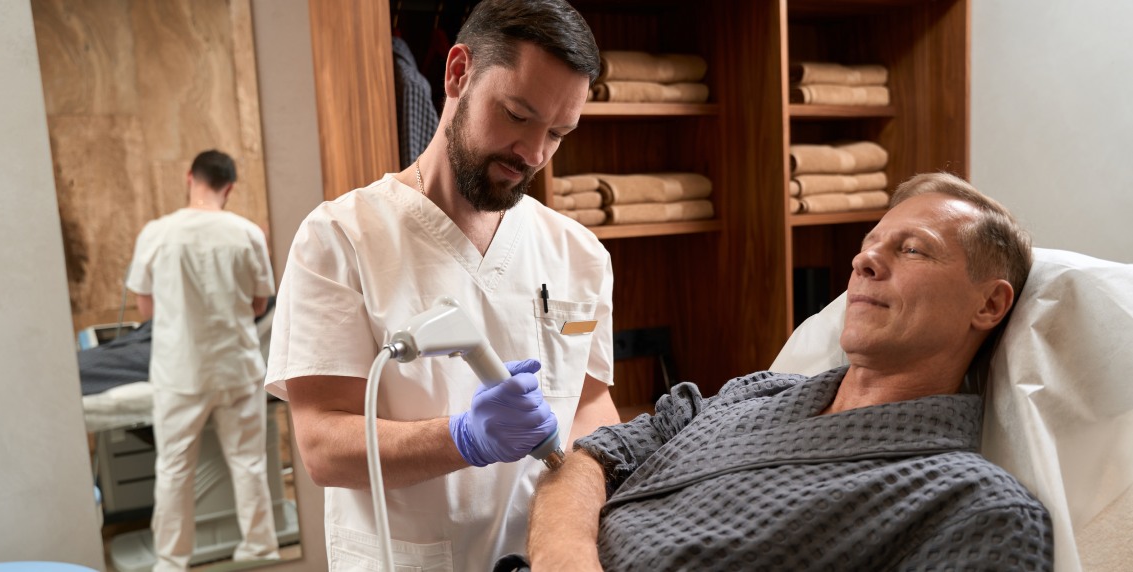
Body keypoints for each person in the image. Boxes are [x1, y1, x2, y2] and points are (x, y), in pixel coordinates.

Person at [525, 173, 1054, 570]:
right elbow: (587, 457)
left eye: (912, 250)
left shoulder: (973, 505)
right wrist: (564, 557)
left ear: (988, 305)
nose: (864, 262)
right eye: (867, 246)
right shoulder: (754, 393)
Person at [263, 0, 620, 569]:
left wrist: (575, 526)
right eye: (516, 115)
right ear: (457, 73)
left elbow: (592, 403)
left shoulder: (579, 254)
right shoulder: (339, 240)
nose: (533, 154)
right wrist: (463, 438)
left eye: (558, 133)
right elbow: (321, 447)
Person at [127, 150, 279, 571]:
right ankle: (260, 549)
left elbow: (145, 307)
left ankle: (172, 561)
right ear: (229, 187)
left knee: (174, 468)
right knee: (249, 463)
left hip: (180, 372)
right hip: (237, 368)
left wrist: (181, 318)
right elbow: (258, 303)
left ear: (189, 177)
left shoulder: (157, 233)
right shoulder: (247, 233)